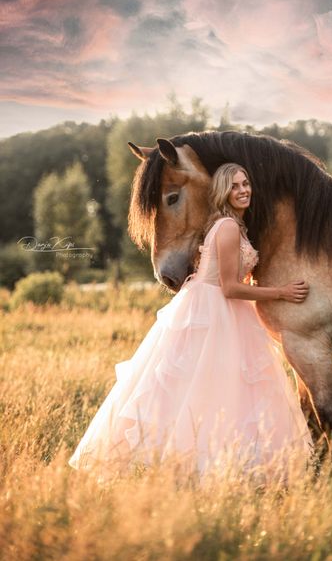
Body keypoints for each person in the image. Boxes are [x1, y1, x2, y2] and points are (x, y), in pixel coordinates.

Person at [68, 163, 312, 481]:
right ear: (223, 191)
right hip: (214, 311)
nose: (243, 190)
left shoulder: (233, 225)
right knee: (206, 387)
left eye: (246, 184)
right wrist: (281, 292)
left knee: (214, 389)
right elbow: (229, 287)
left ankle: (217, 463)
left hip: (222, 308)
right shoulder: (227, 227)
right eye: (235, 186)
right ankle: (189, 464)